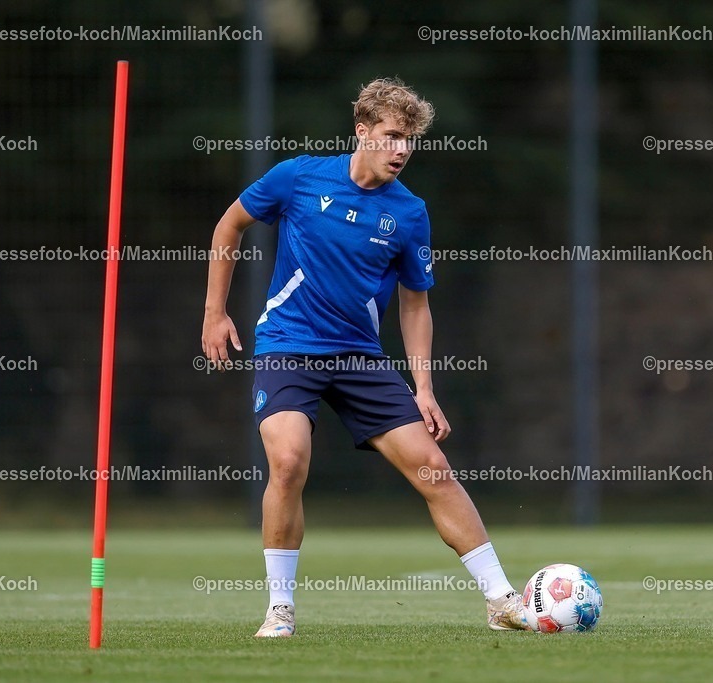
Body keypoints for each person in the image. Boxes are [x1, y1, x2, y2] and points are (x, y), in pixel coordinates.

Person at [200, 77, 528, 637]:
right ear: (363, 132)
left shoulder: (409, 213)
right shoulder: (299, 177)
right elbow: (229, 224)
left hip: (358, 356)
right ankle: (280, 607)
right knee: (287, 461)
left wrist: (424, 389)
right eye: (393, 136)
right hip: (289, 345)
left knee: (435, 469)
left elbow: (415, 306)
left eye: (411, 140)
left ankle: (501, 600)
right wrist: (214, 312)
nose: (402, 150)